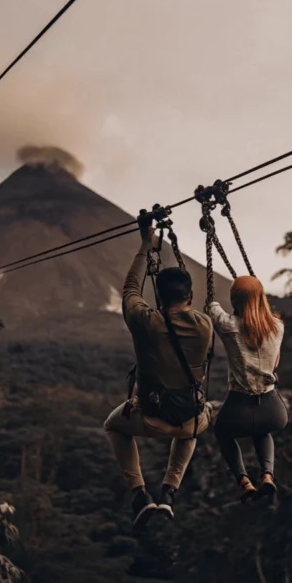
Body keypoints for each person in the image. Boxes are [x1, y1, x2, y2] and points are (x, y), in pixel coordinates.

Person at [104, 227, 214, 531]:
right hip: (190, 417)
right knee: (192, 425)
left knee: (113, 424)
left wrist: (144, 245)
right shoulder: (205, 324)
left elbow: (130, 289)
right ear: (190, 296)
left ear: (158, 297)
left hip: (152, 418)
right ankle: (170, 491)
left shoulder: (145, 321)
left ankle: (140, 494)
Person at [207, 276, 288, 503]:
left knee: (222, 432)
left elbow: (211, 307)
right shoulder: (278, 326)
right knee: (262, 430)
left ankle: (244, 482)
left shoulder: (227, 325)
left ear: (235, 300)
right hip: (273, 411)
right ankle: (267, 475)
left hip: (239, 408)